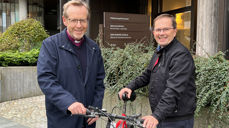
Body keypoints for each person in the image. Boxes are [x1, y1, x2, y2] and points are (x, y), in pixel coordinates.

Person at [118, 14, 196, 128]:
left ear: (174, 31)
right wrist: (130, 87)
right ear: (154, 32)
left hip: (176, 121)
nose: (161, 33)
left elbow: (174, 90)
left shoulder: (180, 55)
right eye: (158, 30)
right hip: (162, 117)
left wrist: (156, 115)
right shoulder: (160, 51)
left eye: (166, 29)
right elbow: (148, 74)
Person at [37, 0, 105, 128]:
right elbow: (46, 79)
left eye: (83, 20)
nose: (79, 25)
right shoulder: (50, 45)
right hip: (62, 119)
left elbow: (99, 82)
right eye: (74, 20)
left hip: (88, 120)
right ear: (65, 20)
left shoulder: (94, 48)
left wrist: (96, 108)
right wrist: (69, 102)